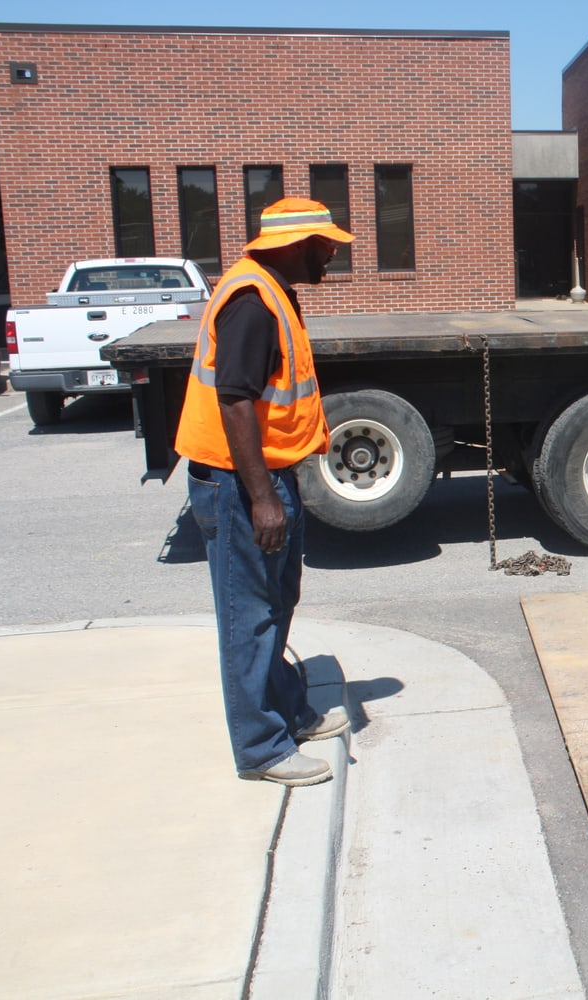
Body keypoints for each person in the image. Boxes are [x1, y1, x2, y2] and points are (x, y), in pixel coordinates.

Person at [176, 197, 354, 785]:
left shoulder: (273, 290)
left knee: (277, 602)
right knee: (249, 615)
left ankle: (287, 713)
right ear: (292, 245)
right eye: (324, 243)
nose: (332, 252)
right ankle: (261, 749)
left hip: (265, 476)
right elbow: (234, 400)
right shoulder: (252, 302)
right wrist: (260, 497)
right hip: (239, 483)